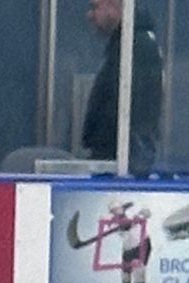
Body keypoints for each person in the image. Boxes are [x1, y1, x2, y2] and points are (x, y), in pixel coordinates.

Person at [79, 0, 164, 174]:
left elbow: (137, 114)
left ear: (114, 6)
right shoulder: (125, 44)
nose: (90, 15)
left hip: (121, 163)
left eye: (95, 7)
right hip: (115, 158)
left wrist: (126, 162)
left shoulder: (136, 46)